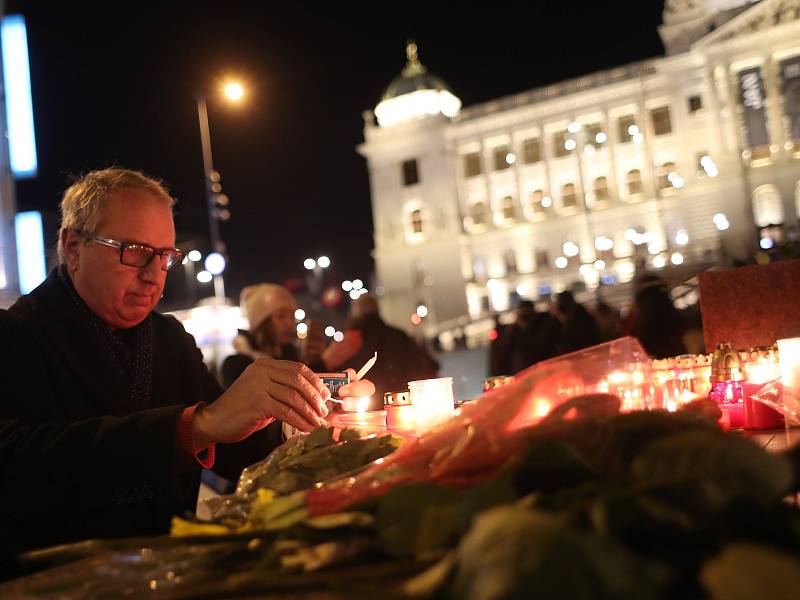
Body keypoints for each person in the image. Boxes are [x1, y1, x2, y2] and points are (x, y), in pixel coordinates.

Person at [0, 168, 374, 578]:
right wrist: (195, 426)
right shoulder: (18, 334)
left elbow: (230, 447)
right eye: (134, 250)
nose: (152, 275)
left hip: (167, 571)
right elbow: (21, 466)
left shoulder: (168, 338)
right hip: (57, 580)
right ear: (72, 246)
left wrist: (306, 418)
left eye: (165, 256)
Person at [221, 283, 360, 388]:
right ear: (262, 323)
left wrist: (321, 363)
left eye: (291, 316)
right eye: (281, 317)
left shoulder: (291, 356)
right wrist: (324, 362)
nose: (289, 323)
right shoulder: (237, 365)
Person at [342, 293, 439, 408]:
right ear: (377, 309)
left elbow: (341, 377)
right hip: (400, 404)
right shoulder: (398, 335)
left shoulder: (349, 343)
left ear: (356, 313)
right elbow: (427, 365)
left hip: (362, 409)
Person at [624, 274, 687, 359]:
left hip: (653, 356)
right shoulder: (667, 306)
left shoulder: (642, 311)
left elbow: (639, 335)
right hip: (675, 353)